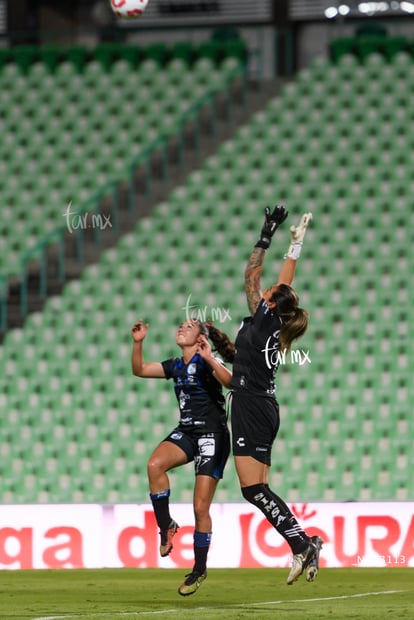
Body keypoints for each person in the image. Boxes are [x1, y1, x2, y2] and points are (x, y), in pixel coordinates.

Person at [229, 205, 323, 585]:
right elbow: (280, 287)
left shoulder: (267, 317)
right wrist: (294, 249)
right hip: (265, 405)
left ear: (270, 304)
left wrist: (266, 234)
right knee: (258, 487)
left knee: (253, 489)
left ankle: (302, 545)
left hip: (252, 406)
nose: (261, 292)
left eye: (267, 294)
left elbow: (250, 277)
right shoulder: (276, 320)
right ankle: (304, 543)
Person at [131, 318, 234, 596]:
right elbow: (139, 369)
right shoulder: (176, 365)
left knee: (200, 508)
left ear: (201, 337)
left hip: (213, 435)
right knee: (154, 465)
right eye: (180, 325)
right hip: (188, 431)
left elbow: (231, 382)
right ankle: (166, 526)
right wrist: (138, 343)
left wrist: (210, 358)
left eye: (188, 327)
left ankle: (199, 568)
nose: (180, 328)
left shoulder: (205, 362)